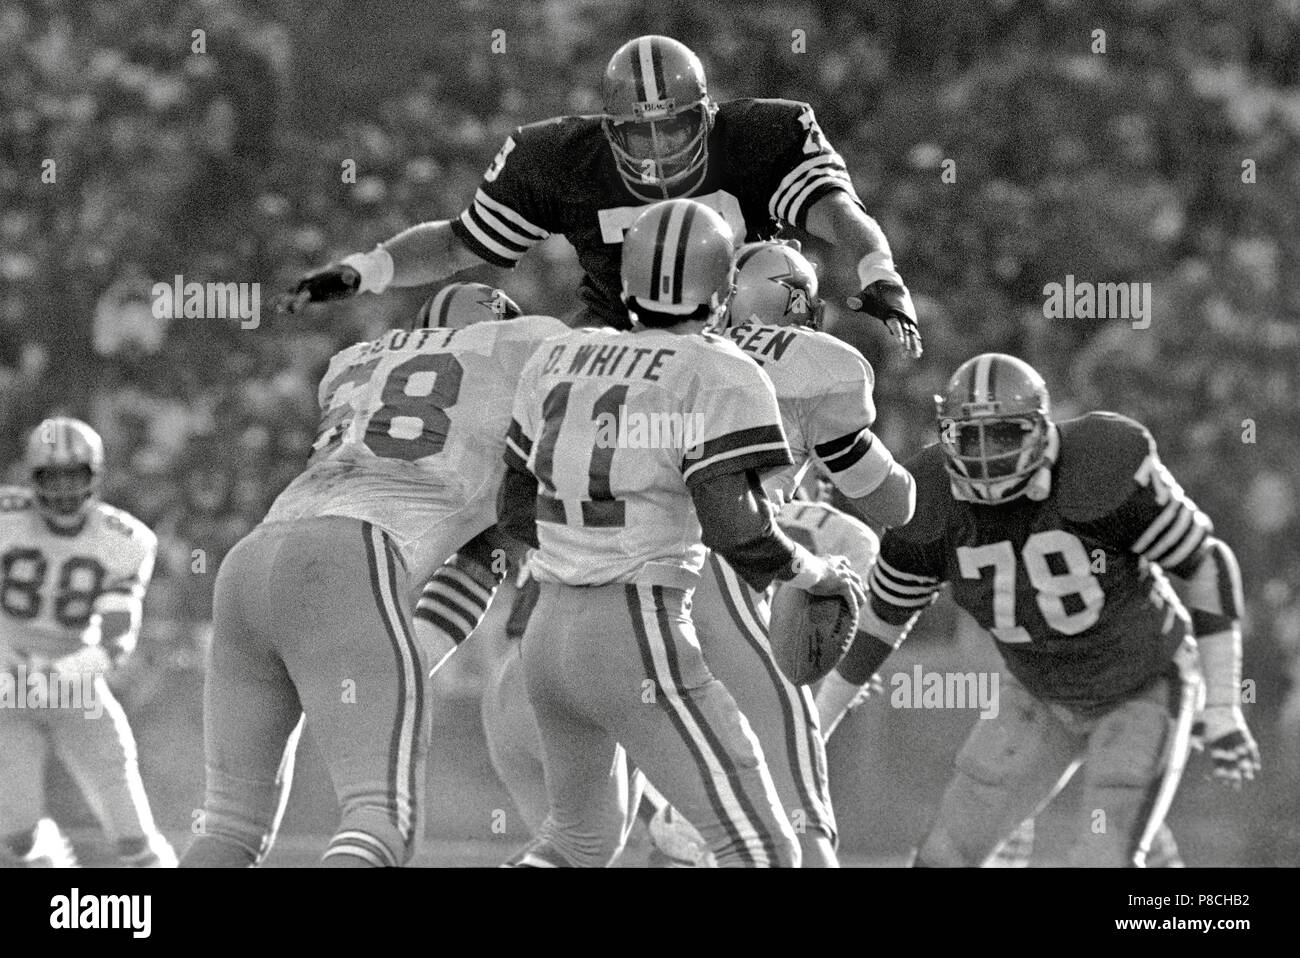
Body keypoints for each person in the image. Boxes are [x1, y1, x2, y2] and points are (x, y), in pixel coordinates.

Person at [499, 198, 864, 868]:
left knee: (574, 845)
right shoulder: (721, 369)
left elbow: (515, 508)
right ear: (723, 291)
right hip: (636, 629)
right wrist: (811, 573)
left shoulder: (559, 354)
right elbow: (738, 528)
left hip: (546, 636)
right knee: (761, 848)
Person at [816, 353, 1260, 866]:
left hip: (1142, 685)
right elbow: (881, 622)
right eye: (969, 437)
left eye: (1003, 434)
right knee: (943, 856)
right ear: (945, 435)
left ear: (1040, 428)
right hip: (1039, 692)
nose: (984, 454)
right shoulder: (928, 497)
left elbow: (1207, 563)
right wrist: (817, 725)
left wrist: (1223, 704)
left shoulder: (1101, 462)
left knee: (1102, 857)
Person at [180, 283, 567, 867]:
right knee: (381, 821)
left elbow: (475, 565)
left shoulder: (354, 361)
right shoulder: (530, 349)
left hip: (252, 559)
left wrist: (379, 672)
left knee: (231, 827)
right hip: (348, 556)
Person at [283, 35, 922, 357]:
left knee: (771, 271)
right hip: (620, 336)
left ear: (704, 116)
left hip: (744, 331)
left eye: (671, 128)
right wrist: (365, 271)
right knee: (495, 338)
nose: (658, 151)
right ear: (608, 129)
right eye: (638, 135)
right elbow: (460, 241)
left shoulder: (761, 135)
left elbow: (838, 213)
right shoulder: (557, 158)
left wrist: (880, 270)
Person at [0, 417, 173, 868]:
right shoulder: (6, 517)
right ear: (31, 478)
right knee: (15, 838)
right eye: (50, 477)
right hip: (3, 681)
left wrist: (54, 676)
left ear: (94, 476)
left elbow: (116, 640)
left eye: (73, 476)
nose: (61, 490)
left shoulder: (126, 539)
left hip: (75, 682)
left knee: (132, 834)